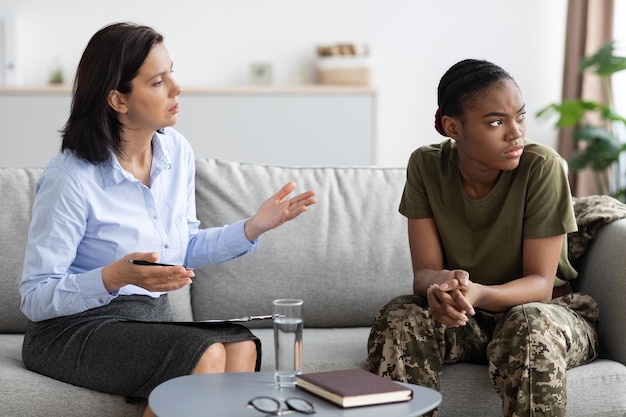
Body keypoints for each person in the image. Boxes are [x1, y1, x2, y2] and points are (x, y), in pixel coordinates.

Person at [19, 22, 316, 417]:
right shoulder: (70, 178)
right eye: (158, 82)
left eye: (171, 73)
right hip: (71, 329)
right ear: (118, 100)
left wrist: (253, 227)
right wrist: (114, 277)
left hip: (146, 320)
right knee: (206, 355)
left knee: (241, 345)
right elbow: (35, 297)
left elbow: (183, 248)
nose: (176, 89)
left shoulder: (176, 151)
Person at [365, 59, 599, 417]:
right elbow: (424, 272)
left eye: (519, 116)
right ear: (452, 126)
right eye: (495, 122)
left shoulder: (542, 166)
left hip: (545, 314)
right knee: (402, 315)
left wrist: (480, 292)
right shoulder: (426, 166)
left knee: (528, 325)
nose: (515, 133)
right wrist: (442, 286)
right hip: (468, 319)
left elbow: (541, 285)